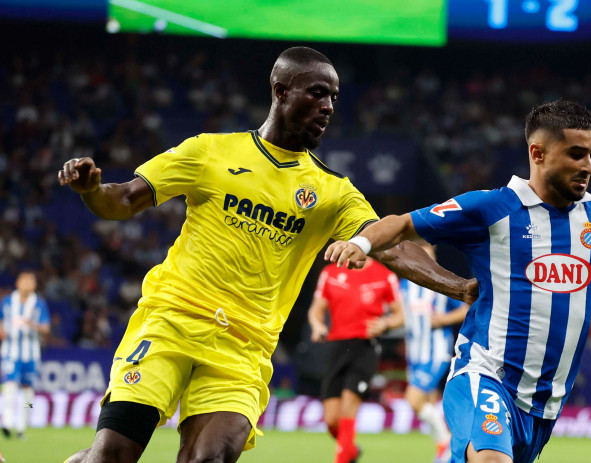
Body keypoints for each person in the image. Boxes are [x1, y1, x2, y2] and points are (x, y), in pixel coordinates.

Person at [57, 47, 476, 463]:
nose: (328, 106)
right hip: (171, 321)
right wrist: (93, 190)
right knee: (113, 454)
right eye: (316, 93)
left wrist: (461, 287)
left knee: (209, 458)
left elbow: (395, 247)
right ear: (280, 90)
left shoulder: (333, 192)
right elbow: (124, 200)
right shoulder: (210, 152)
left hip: (243, 347)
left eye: (333, 97)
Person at [325, 100, 591, 463]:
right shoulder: (491, 207)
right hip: (484, 374)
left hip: (543, 406)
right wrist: (361, 241)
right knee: (490, 459)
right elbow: (400, 226)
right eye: (576, 154)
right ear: (537, 153)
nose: (588, 166)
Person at [308, 256, 404, 463]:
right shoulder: (330, 273)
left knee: (348, 408)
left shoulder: (385, 275)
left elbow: (400, 315)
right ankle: (350, 450)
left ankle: (342, 458)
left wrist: (385, 324)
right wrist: (317, 326)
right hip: (336, 347)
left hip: (365, 346)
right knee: (331, 419)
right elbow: (316, 309)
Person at [399, 242, 469, 463]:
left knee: (413, 398)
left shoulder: (440, 283)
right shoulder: (404, 284)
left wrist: (444, 319)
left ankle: (445, 442)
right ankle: (451, 452)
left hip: (435, 350)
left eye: (428, 255)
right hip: (415, 353)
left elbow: (466, 308)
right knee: (428, 403)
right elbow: (401, 314)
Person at [0, 271, 51, 439]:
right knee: (9, 385)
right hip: (10, 352)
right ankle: (7, 423)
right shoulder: (7, 302)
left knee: (28, 390)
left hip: (31, 353)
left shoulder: (39, 304)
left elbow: (46, 329)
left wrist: (32, 324)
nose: (28, 284)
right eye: (25, 280)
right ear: (18, 282)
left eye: (31, 281)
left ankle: (22, 425)